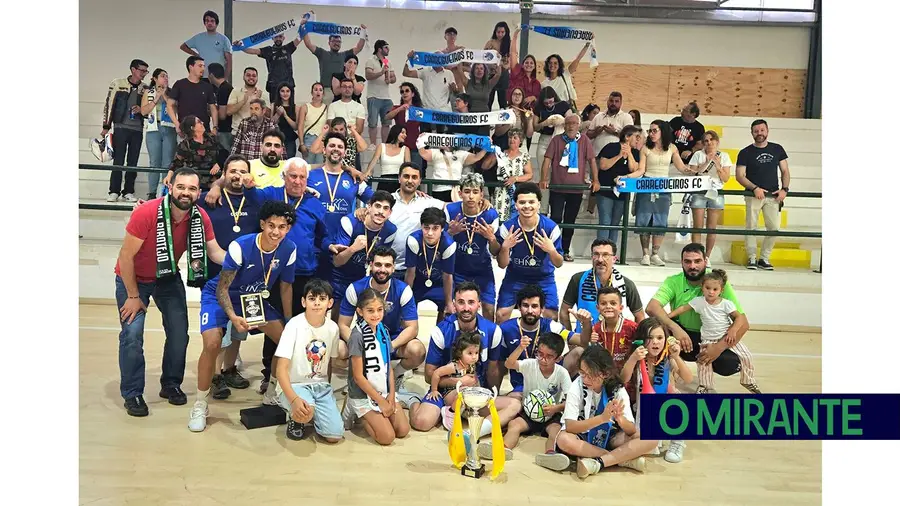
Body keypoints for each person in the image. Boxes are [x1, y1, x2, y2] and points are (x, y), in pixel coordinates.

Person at [114, 168, 226, 417]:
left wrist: (240, 260)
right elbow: (126, 256)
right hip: (133, 280)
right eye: (181, 187)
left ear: (198, 192)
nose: (186, 192)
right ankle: (132, 393)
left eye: (192, 188)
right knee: (132, 335)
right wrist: (133, 296)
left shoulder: (199, 217)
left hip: (166, 278)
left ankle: (171, 384)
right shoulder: (147, 212)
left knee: (179, 333)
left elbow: (214, 251)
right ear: (171, 187)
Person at [189, 201, 298, 432]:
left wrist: (289, 322)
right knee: (212, 343)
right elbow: (222, 289)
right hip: (221, 296)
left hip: (255, 298)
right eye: (271, 225)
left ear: (288, 228)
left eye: (282, 226)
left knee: (287, 341)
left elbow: (286, 287)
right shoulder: (241, 246)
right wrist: (232, 316)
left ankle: (271, 395)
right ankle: (200, 403)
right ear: (262, 224)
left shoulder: (289, 249)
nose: (276, 231)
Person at [410, 282, 521, 433]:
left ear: (479, 305)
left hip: (476, 391)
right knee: (421, 422)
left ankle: (476, 432)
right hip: (445, 390)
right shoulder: (441, 331)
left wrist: (489, 394)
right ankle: (413, 401)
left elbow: (493, 369)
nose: (466, 308)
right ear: (454, 305)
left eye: (471, 302)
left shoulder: (493, 331)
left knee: (514, 405)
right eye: (461, 302)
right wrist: (458, 381)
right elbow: (430, 376)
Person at [535, 346, 656, 477]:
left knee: (651, 437)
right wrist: (602, 418)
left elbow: (631, 431)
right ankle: (619, 459)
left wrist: (621, 419)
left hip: (611, 436)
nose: (585, 379)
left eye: (590, 375)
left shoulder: (617, 389)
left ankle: (598, 462)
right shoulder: (577, 385)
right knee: (564, 439)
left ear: (605, 373)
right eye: (582, 373)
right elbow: (570, 427)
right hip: (583, 437)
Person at [197, 155, 262, 393]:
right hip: (217, 275)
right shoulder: (209, 199)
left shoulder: (255, 199)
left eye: (243, 171)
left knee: (239, 329)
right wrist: (215, 186)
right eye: (233, 171)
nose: (238, 176)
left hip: (246, 279)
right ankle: (214, 375)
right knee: (219, 329)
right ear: (224, 173)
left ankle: (229, 368)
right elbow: (178, 201)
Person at [646, 243, 751, 388]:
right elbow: (652, 307)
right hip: (683, 336)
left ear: (705, 261)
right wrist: (675, 328)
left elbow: (744, 323)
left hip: (712, 338)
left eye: (697, 261)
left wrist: (718, 348)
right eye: (687, 261)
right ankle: (660, 378)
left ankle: (708, 379)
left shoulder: (718, 283)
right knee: (650, 327)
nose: (692, 266)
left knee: (729, 364)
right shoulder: (673, 281)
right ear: (682, 262)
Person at [337, 247, 422, 395]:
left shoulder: (403, 290)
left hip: (392, 339)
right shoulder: (355, 288)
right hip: (363, 339)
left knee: (417, 350)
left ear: (394, 267)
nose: (382, 269)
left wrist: (389, 346)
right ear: (370, 265)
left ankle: (394, 375)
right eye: (378, 264)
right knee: (336, 349)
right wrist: (362, 346)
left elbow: (412, 328)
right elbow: (343, 325)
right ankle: (357, 377)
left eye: (387, 265)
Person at [274, 279, 344, 443]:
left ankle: (310, 412)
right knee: (306, 410)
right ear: (303, 301)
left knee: (334, 436)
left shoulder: (333, 328)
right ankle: (295, 412)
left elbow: (329, 364)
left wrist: (327, 386)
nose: (317, 303)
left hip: (320, 387)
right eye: (312, 298)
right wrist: (294, 399)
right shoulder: (294, 325)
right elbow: (280, 369)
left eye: (322, 299)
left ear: (330, 302)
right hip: (295, 385)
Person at [667, 269, 759, 394]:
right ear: (702, 287)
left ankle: (748, 380)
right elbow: (683, 308)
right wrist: (668, 316)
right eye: (708, 288)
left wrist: (733, 330)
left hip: (726, 338)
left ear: (721, 290)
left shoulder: (727, 304)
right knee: (704, 364)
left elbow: (739, 318)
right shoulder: (699, 301)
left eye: (715, 289)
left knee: (746, 355)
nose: (711, 292)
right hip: (708, 339)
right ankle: (704, 386)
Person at [619, 317, 692, 463]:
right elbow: (623, 379)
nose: (655, 342)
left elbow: (688, 378)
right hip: (640, 408)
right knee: (642, 446)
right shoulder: (638, 356)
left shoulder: (667, 358)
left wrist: (677, 358)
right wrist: (633, 359)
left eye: (660, 337)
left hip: (664, 407)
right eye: (650, 338)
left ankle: (677, 442)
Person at [344, 288, 411, 446]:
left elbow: (388, 367)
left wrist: (391, 396)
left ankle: (380, 416)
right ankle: (355, 410)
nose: (376, 315)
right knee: (387, 437)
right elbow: (358, 377)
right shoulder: (357, 336)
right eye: (370, 311)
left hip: (383, 389)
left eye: (379, 310)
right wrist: (381, 401)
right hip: (362, 394)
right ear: (360, 312)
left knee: (403, 430)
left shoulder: (383, 331)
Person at [494, 182, 564, 323]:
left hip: (543, 278)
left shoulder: (551, 228)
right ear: (516, 205)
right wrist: (505, 248)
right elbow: (502, 265)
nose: (527, 206)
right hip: (515, 278)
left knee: (552, 316)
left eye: (531, 202)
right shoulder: (507, 228)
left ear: (538, 204)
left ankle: (544, 344)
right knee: (501, 314)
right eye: (522, 202)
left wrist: (551, 250)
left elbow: (559, 263)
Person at [499, 285, 590, 390]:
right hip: (523, 383)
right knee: (516, 404)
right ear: (519, 307)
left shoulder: (552, 326)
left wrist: (586, 323)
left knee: (579, 351)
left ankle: (573, 391)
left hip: (551, 379)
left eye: (534, 306)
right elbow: (499, 363)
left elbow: (582, 341)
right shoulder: (506, 329)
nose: (529, 310)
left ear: (542, 309)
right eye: (525, 305)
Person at [496, 332, 571, 458]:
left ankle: (550, 456)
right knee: (514, 425)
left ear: (558, 359)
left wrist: (556, 408)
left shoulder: (562, 373)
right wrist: (520, 347)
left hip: (551, 414)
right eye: (540, 354)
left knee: (556, 432)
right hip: (528, 412)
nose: (542, 359)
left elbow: (570, 401)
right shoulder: (530, 364)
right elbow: (508, 364)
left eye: (549, 356)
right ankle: (503, 450)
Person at [324, 191, 397, 318]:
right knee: (338, 321)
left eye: (386, 208)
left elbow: (382, 260)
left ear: (390, 213)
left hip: (365, 279)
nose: (381, 211)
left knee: (368, 319)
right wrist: (353, 248)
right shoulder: (350, 222)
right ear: (369, 207)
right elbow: (337, 261)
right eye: (378, 206)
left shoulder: (391, 230)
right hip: (341, 278)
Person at [735, 119, 791, 271]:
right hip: (753, 195)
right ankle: (752, 258)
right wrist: (754, 188)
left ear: (767, 131)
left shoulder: (777, 149)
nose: (759, 133)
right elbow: (740, 175)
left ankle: (764, 258)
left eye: (762, 130)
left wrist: (784, 189)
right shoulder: (745, 152)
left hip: (773, 195)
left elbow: (785, 171)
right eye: (756, 131)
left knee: (774, 228)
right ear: (752, 133)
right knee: (751, 227)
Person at [541, 114, 596, 261]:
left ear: (579, 125)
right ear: (564, 125)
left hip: (576, 189)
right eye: (568, 123)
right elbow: (547, 160)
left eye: (574, 123)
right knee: (556, 219)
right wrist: (543, 178)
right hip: (557, 188)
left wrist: (596, 180)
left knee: (570, 221)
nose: (571, 126)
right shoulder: (556, 140)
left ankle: (565, 250)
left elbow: (592, 161)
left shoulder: (584, 140)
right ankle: (552, 249)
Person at [445, 173, 500, 320]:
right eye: (467, 191)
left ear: (481, 194)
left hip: (482, 270)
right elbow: (440, 245)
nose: (471, 196)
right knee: (454, 309)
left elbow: (496, 251)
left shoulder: (491, 215)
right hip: (458, 270)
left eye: (475, 192)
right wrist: (450, 233)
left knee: (489, 310)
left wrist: (491, 238)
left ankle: (487, 341)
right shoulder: (450, 211)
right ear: (460, 192)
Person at [560, 239, 645, 333]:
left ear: (614, 259)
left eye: (605, 255)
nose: (600, 259)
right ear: (592, 257)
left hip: (617, 342)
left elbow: (640, 316)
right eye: (596, 254)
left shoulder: (626, 284)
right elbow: (564, 312)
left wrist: (635, 342)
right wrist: (571, 340)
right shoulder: (578, 279)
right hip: (585, 341)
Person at [635, 120, 687, 266]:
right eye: (650, 131)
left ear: (662, 131)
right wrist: (625, 178)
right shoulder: (645, 148)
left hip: (664, 188)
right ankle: (645, 253)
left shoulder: (672, 148)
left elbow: (682, 168)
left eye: (654, 130)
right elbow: (641, 170)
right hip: (646, 185)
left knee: (660, 220)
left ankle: (655, 254)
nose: (651, 133)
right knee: (644, 219)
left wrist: (697, 173)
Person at [101, 58, 148, 203]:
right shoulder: (118, 84)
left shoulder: (145, 88)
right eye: (142, 70)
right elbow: (109, 104)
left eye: (146, 71)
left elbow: (148, 108)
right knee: (118, 160)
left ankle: (128, 191)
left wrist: (141, 110)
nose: (144, 74)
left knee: (132, 161)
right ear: (133, 70)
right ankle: (114, 191)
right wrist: (106, 126)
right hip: (121, 127)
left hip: (137, 129)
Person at [388, 163, 445, 280]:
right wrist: (362, 211)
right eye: (406, 176)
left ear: (420, 181)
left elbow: (450, 206)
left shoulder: (426, 202)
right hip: (389, 267)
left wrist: (481, 202)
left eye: (414, 177)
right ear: (399, 178)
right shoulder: (388, 200)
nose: (410, 180)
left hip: (416, 269)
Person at [686, 130, 733, 261]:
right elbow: (693, 173)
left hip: (716, 192)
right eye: (706, 141)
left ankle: (707, 257)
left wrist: (718, 165)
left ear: (717, 142)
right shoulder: (698, 154)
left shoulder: (724, 156)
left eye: (711, 140)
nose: (709, 143)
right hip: (700, 191)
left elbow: (725, 178)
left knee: (712, 228)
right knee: (697, 226)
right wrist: (707, 163)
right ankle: (697, 256)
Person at [405, 208, 456, 323]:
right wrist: (405, 297)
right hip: (417, 282)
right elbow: (410, 273)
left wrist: (448, 303)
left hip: (439, 283)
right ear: (421, 226)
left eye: (435, 228)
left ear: (442, 229)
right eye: (426, 228)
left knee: (447, 311)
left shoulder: (449, 245)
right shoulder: (413, 240)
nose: (430, 233)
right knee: (405, 309)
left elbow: (447, 276)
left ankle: (440, 335)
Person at [592, 125, 640, 244]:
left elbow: (634, 169)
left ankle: (612, 252)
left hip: (623, 193)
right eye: (636, 137)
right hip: (606, 191)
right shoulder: (611, 147)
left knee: (616, 223)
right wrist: (619, 156)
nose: (638, 140)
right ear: (627, 137)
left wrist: (629, 154)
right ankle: (601, 249)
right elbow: (603, 166)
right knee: (605, 221)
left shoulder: (635, 152)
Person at [301, 19, 367, 103]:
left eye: (339, 41)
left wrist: (363, 33)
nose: (336, 43)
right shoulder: (322, 53)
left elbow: (359, 48)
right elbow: (308, 44)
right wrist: (304, 27)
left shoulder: (345, 55)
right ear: (329, 43)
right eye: (334, 41)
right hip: (327, 90)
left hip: (341, 90)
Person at [140, 68, 176, 200]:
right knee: (154, 161)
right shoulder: (148, 92)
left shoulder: (172, 92)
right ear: (155, 79)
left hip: (169, 128)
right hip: (153, 128)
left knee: (167, 162)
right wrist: (156, 98)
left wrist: (164, 95)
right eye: (162, 76)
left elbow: (174, 107)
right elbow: (144, 111)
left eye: (167, 76)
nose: (165, 78)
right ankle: (152, 192)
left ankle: (165, 191)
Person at [424, 330, 482, 412]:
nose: (474, 357)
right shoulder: (454, 366)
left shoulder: (471, 364)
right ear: (459, 353)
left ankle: (465, 410)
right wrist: (434, 390)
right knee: (465, 392)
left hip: (461, 392)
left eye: (476, 353)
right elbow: (437, 373)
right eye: (470, 353)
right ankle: (449, 412)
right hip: (449, 394)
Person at [238, 32, 302, 103]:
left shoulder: (288, 48)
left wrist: (304, 26)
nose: (278, 39)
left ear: (283, 38)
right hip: (274, 85)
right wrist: (240, 46)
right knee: (274, 109)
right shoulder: (268, 50)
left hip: (288, 85)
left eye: (280, 37)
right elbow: (253, 51)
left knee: (290, 108)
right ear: (272, 38)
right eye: (276, 37)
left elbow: (299, 38)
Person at [165, 115, 220, 191]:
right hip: (193, 182)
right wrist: (169, 175)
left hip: (213, 182)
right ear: (192, 128)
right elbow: (176, 163)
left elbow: (224, 155)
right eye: (199, 122)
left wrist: (218, 164)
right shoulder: (185, 145)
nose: (202, 123)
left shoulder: (212, 139)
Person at [490, 127, 533, 221]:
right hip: (501, 191)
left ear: (520, 141)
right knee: (500, 218)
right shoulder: (500, 153)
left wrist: (515, 178)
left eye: (515, 138)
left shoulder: (524, 156)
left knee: (515, 218)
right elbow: (485, 166)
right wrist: (491, 151)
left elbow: (529, 174)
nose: (512, 140)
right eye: (510, 137)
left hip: (516, 192)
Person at [419, 144, 487, 203]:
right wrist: (420, 141)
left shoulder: (461, 154)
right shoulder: (435, 152)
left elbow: (477, 157)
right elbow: (423, 153)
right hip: (438, 190)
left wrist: (487, 146)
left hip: (455, 190)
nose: (447, 143)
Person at [167, 56, 218, 133]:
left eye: (204, 66)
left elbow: (213, 108)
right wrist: (177, 124)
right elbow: (169, 105)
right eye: (200, 66)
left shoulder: (207, 86)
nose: (203, 69)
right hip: (185, 129)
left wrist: (215, 127)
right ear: (191, 67)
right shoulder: (180, 84)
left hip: (204, 129)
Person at [532, 88, 573, 181]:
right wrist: (545, 123)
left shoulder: (563, 105)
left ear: (554, 98)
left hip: (561, 139)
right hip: (544, 140)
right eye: (546, 103)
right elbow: (535, 127)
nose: (549, 105)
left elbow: (571, 121)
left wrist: (561, 121)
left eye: (551, 102)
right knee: (543, 172)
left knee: (559, 171)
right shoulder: (539, 108)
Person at [180, 10, 232, 79]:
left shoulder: (224, 39)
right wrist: (195, 54)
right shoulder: (198, 38)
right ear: (204, 23)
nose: (209, 23)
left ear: (216, 23)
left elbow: (229, 61)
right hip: (202, 75)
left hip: (218, 77)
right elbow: (183, 46)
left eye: (212, 21)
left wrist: (225, 78)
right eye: (207, 21)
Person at [385, 83, 424, 170]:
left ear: (413, 94)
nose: (404, 93)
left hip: (415, 146)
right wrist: (400, 108)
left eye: (407, 91)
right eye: (402, 92)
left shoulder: (419, 110)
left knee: (415, 172)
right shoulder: (397, 107)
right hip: (399, 147)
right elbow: (387, 117)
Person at [365, 40, 396, 146]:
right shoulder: (370, 60)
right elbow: (368, 76)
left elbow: (394, 78)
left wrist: (390, 80)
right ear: (379, 49)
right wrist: (381, 73)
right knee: (373, 122)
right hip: (373, 96)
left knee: (386, 122)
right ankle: (373, 144)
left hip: (386, 96)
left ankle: (385, 145)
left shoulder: (388, 62)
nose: (388, 50)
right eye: (386, 48)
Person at [586, 91, 635, 157]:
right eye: (611, 101)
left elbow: (630, 137)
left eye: (616, 101)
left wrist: (614, 132)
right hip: (597, 156)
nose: (613, 103)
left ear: (621, 103)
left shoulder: (626, 117)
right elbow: (588, 135)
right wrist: (595, 132)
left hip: (616, 158)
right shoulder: (598, 116)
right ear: (607, 102)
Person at [363, 125, 409, 193]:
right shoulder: (382, 146)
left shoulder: (405, 149)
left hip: (399, 182)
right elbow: (374, 160)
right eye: (402, 132)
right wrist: (368, 171)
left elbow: (408, 167)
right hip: (384, 180)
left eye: (405, 133)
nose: (405, 135)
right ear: (396, 132)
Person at [226, 67, 268, 136]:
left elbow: (269, 115)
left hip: (257, 134)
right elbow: (229, 112)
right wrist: (243, 101)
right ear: (243, 77)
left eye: (254, 76)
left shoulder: (262, 94)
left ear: (257, 78)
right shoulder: (236, 91)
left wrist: (258, 101)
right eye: (248, 75)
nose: (251, 77)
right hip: (238, 132)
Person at [507, 28, 540, 110]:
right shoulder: (516, 73)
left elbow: (539, 99)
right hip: (515, 110)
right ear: (522, 65)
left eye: (531, 63)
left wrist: (533, 98)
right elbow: (513, 53)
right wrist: (515, 36)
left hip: (530, 113)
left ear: (535, 66)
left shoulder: (537, 83)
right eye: (526, 62)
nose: (529, 65)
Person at [298, 82, 328, 165]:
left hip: (322, 139)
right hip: (309, 138)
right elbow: (300, 126)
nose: (318, 92)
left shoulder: (326, 108)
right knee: (308, 166)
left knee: (320, 165)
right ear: (312, 93)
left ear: (323, 93)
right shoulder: (305, 107)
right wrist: (301, 143)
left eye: (320, 90)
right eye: (315, 90)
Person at [483, 21, 511, 110]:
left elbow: (511, 60)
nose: (500, 34)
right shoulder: (490, 42)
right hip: (491, 74)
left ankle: (503, 123)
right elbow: (483, 57)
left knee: (502, 101)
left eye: (502, 32)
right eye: (498, 32)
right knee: (488, 100)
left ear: (506, 32)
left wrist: (502, 65)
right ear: (495, 32)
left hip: (503, 74)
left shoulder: (509, 43)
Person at [270, 84, 301, 158]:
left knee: (289, 160)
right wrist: (278, 114)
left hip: (289, 139)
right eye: (282, 91)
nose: (285, 93)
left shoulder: (296, 107)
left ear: (291, 93)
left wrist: (285, 115)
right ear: (279, 93)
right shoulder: (273, 105)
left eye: (287, 91)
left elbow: (296, 127)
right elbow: (271, 124)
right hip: (276, 137)